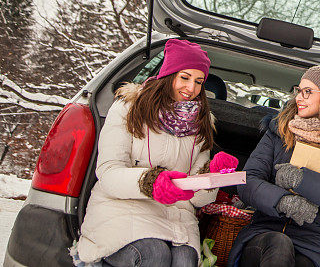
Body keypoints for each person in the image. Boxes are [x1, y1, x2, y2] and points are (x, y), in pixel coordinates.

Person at [72, 39, 238, 267]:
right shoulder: (129, 107)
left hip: (176, 217)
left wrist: (212, 177)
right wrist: (151, 183)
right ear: (169, 74)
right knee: (153, 255)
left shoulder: (201, 124)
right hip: (123, 206)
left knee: (184, 262)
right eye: (185, 78)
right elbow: (109, 173)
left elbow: (200, 200)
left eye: (199, 82)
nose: (192, 89)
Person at [229, 65, 320, 267]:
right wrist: (281, 201)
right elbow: (247, 180)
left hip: (319, 239)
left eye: (308, 92)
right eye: (299, 90)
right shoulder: (279, 130)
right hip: (267, 228)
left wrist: (302, 180)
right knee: (278, 245)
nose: (298, 98)